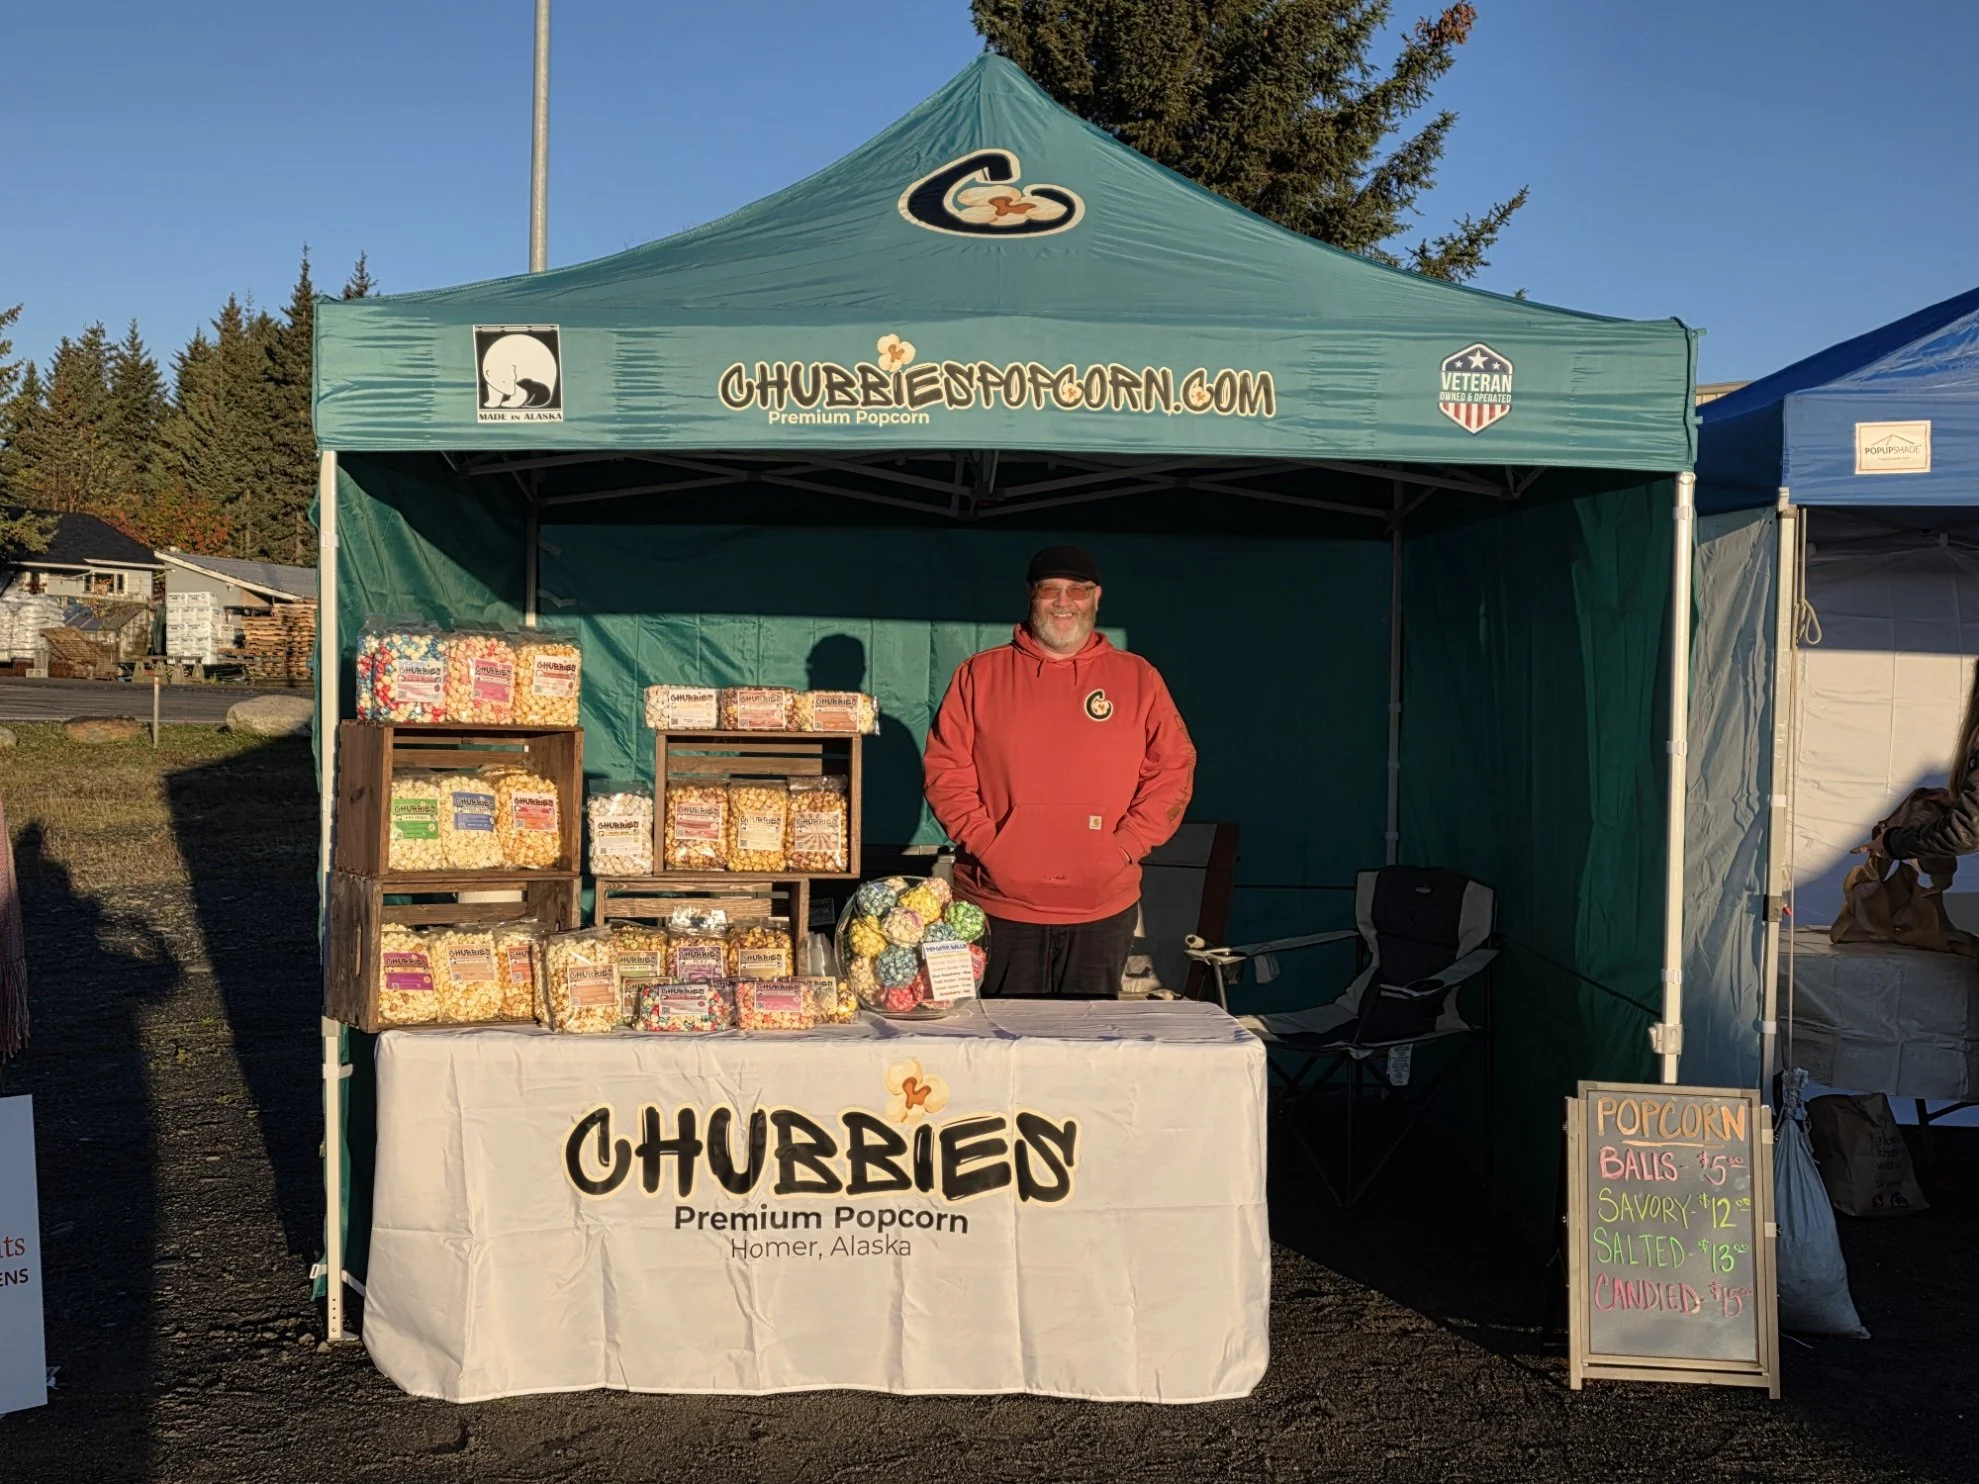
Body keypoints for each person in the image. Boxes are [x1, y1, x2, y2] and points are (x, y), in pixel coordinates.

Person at [922, 545, 1195, 997]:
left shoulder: (1138, 678)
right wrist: (990, 845)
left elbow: (1174, 767)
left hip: (1101, 908)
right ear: (1032, 595)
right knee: (1001, 1049)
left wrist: (1125, 847)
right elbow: (945, 769)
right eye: (1051, 590)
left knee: (1085, 1052)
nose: (1064, 602)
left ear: (1097, 597)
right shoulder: (980, 675)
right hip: (999, 904)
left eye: (1077, 590)